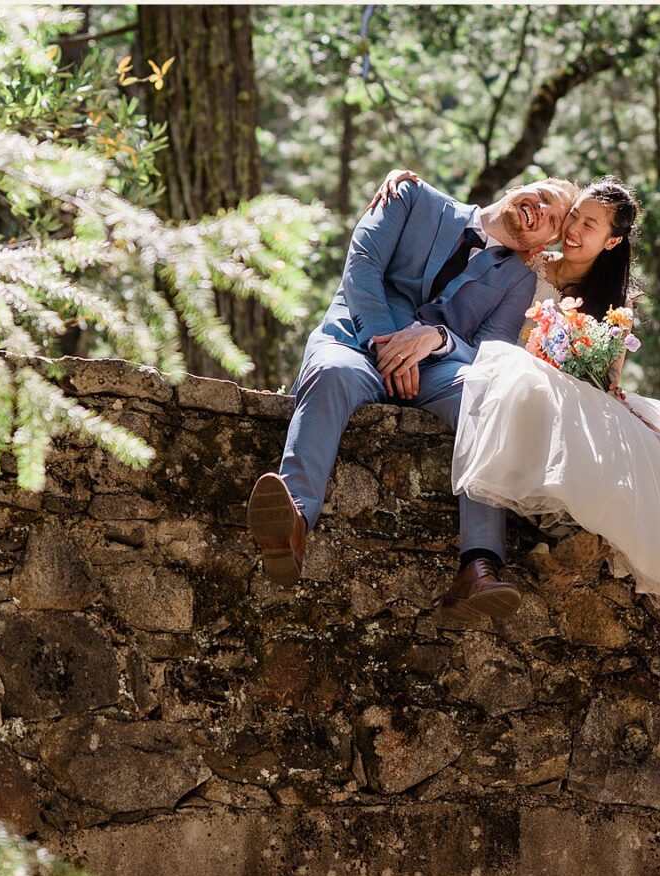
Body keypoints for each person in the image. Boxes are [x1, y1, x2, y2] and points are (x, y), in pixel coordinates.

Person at [370, 172, 660, 630]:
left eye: (590, 226)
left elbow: (607, 380)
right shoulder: (527, 262)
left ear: (612, 241)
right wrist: (408, 182)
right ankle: (546, 527)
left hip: (570, 390)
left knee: (654, 442)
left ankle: (571, 526)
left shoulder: (615, 304)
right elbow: (483, 232)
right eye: (575, 217)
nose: (574, 230)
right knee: (523, 379)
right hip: (502, 374)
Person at [247, 173, 577, 622]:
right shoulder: (411, 196)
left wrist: (437, 339)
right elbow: (363, 264)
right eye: (542, 196)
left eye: (553, 219)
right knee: (331, 373)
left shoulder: (517, 280)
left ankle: (478, 566)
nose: (541, 210)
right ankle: (293, 522)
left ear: (542, 245)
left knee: (488, 398)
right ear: (518, 187)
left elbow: (493, 350)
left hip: (435, 370)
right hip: (356, 342)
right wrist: (386, 341)